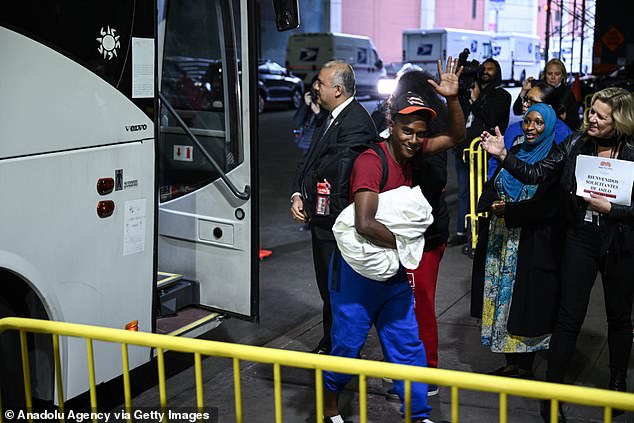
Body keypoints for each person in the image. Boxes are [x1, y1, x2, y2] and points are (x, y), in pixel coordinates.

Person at [322, 58, 465, 423]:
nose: (415, 140)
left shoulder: (414, 153)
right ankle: (329, 409)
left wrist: (453, 99)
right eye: (407, 131)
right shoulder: (372, 162)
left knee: (407, 346)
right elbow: (365, 222)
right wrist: (409, 245)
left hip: (393, 273)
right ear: (391, 125)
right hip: (357, 275)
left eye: (420, 133)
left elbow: (457, 137)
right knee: (347, 346)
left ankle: (418, 414)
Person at [480, 87, 634, 422]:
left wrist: (613, 209)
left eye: (600, 116)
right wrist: (505, 155)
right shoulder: (575, 144)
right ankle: (553, 397)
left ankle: (618, 385)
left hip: (621, 242)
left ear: (618, 121)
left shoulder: (632, 151)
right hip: (581, 237)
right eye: (591, 111)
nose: (591, 119)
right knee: (568, 318)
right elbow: (537, 174)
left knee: (620, 318)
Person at [290, 60, 378, 355]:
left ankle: (341, 349)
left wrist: (312, 196)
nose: (315, 87)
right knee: (329, 289)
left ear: (338, 90)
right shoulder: (331, 117)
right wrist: (297, 194)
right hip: (323, 220)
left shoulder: (355, 122)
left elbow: (335, 175)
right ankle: (332, 341)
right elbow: (309, 160)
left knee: (338, 290)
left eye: (321, 83)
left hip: (338, 224)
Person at [471, 103, 563, 380]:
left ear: (549, 126)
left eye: (538, 123)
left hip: (529, 242)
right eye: (527, 121)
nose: (530, 128)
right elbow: (493, 185)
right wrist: (493, 204)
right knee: (502, 300)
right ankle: (510, 363)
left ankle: (525, 366)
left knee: (524, 303)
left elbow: (546, 205)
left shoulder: (553, 159)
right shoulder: (517, 151)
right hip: (501, 240)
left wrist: (509, 210)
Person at [374, 70, 450, 399]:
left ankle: (427, 374)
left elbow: (435, 183)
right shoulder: (398, 131)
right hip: (401, 238)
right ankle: (406, 371)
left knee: (420, 306)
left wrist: (408, 165)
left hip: (425, 238)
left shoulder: (425, 138)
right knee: (400, 308)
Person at [451, 58, 511, 250]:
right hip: (464, 151)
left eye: (491, 69)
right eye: (483, 68)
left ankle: (479, 235)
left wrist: (477, 100)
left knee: (482, 193)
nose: (486, 71)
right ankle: (461, 231)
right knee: (463, 193)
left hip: (485, 153)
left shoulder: (501, 95)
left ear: (498, 72)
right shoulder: (469, 90)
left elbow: (492, 118)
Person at [487, 81, 572, 178]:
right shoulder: (514, 129)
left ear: (548, 108)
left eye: (532, 102)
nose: (525, 105)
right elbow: (495, 161)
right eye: (525, 100)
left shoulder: (563, 133)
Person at [512, 59, 580, 131]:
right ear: (545, 74)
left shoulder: (567, 93)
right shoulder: (537, 89)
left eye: (557, 74)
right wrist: (524, 91)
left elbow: (575, 123)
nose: (553, 77)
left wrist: (564, 115)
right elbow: (517, 111)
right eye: (549, 74)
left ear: (562, 75)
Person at [292, 75, 327, 154]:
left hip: (321, 148)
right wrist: (305, 104)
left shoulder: (329, 104)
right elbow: (297, 122)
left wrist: (318, 113)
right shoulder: (309, 102)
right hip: (307, 145)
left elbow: (327, 127)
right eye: (314, 89)